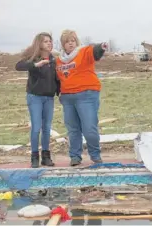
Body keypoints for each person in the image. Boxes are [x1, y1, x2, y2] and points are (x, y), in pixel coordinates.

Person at [56, 29, 107, 166]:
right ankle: (75, 157)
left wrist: (101, 47)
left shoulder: (83, 52)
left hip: (86, 95)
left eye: (72, 41)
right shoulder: (59, 60)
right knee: (73, 129)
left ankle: (95, 155)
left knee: (89, 128)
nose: (70, 44)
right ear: (63, 44)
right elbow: (57, 79)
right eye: (67, 42)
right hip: (67, 98)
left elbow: (95, 52)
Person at [15, 32, 60, 168]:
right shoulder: (33, 58)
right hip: (35, 97)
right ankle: (34, 156)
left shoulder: (53, 60)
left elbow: (56, 80)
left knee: (46, 128)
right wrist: (36, 65)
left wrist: (60, 93)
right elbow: (18, 66)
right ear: (39, 43)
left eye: (50, 41)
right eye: (46, 41)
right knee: (36, 127)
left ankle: (46, 156)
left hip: (49, 98)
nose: (49, 43)